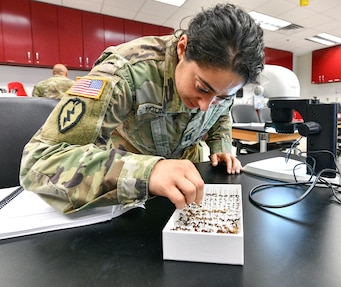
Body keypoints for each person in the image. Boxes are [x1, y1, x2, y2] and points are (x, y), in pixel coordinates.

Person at [20, 3, 265, 214]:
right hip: (125, 189)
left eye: (221, 96)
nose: (205, 106)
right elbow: (38, 162)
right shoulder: (124, 72)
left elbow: (221, 113)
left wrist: (220, 144)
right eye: (202, 88)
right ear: (182, 48)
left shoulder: (221, 91)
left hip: (185, 187)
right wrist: (149, 171)